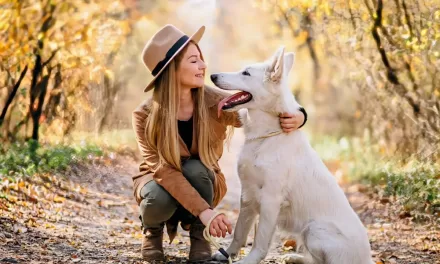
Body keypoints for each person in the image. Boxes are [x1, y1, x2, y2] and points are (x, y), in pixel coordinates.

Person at [131, 24, 307, 262]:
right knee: (155, 197)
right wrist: (206, 212)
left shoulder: (216, 102)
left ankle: (198, 235)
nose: (203, 65)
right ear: (172, 70)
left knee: (197, 170)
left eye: (201, 58)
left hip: (202, 181)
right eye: (194, 61)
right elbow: (162, 170)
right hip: (161, 182)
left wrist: (299, 114)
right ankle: (152, 232)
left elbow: (264, 102)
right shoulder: (144, 115)